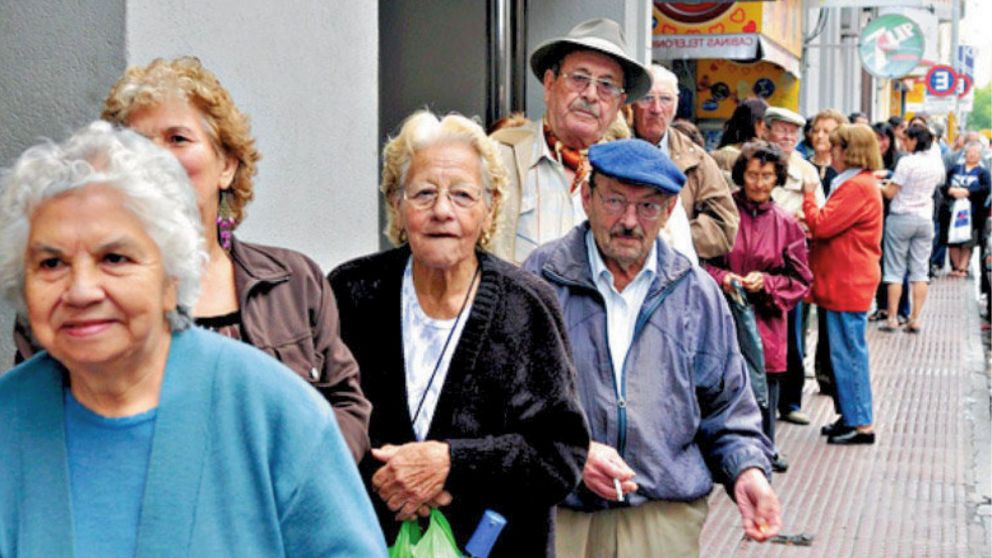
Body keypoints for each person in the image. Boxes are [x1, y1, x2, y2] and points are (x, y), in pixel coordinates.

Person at [0, 122, 387, 557]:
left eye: (115, 258)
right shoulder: (8, 419)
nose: (81, 290)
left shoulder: (275, 414)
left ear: (173, 275)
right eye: (51, 263)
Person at [328, 111, 590, 556]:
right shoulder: (351, 293)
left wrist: (452, 464)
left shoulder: (527, 305)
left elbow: (561, 454)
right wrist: (394, 484)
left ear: (489, 208)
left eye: (463, 195)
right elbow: (321, 427)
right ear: (397, 203)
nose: (442, 211)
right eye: (424, 193)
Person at [91, 56, 370, 460]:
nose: (156, 158)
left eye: (178, 139)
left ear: (226, 166)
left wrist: (298, 479)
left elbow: (346, 406)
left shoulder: (295, 281)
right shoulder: (82, 294)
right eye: (137, 143)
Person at [523, 139, 780, 557]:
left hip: (661, 518)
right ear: (586, 197)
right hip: (561, 511)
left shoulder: (697, 293)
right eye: (614, 200)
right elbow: (509, 403)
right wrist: (571, 452)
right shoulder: (540, 279)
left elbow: (728, 408)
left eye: (648, 206)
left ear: (670, 209)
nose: (629, 221)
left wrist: (747, 470)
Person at [489, 17, 652, 264]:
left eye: (606, 85)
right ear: (549, 84)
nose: (590, 94)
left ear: (619, 104)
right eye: (579, 78)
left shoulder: (639, 175)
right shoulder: (497, 158)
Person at [703, 141, 812, 474]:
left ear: (777, 178)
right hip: (722, 315)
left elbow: (801, 279)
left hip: (765, 320)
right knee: (719, 385)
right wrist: (723, 278)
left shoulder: (786, 223)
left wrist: (767, 283)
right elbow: (701, 261)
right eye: (753, 175)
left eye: (767, 176)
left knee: (764, 389)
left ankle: (764, 447)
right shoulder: (724, 213)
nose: (760, 183)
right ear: (741, 175)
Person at [803, 124, 884, 445]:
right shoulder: (857, 183)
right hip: (845, 279)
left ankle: (861, 422)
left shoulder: (857, 187)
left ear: (850, 151)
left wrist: (809, 198)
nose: (830, 150)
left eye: (836, 146)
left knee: (849, 352)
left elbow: (822, 225)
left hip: (848, 280)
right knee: (842, 352)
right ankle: (849, 415)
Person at [631, 64, 739, 259]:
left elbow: (725, 225)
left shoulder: (696, 159)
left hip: (675, 274)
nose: (656, 109)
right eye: (647, 98)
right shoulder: (609, 148)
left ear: (676, 105)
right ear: (631, 102)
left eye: (665, 99)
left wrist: (669, 240)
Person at [764, 106, 822, 426]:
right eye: (781, 130)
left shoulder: (807, 171)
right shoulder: (752, 160)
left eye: (792, 132)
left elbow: (818, 213)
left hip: (791, 257)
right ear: (766, 130)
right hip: (755, 254)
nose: (787, 137)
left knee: (792, 333)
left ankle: (790, 401)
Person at [879, 124, 945, 333]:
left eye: (906, 139)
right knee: (920, 271)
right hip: (925, 218)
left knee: (895, 270)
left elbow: (890, 192)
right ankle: (915, 318)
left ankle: (892, 318)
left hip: (901, 217)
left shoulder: (907, 162)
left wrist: (877, 185)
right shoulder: (936, 164)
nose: (903, 143)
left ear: (915, 140)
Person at [870, 121, 911, 324]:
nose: (880, 143)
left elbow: (903, 182)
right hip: (873, 217)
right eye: (875, 138)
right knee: (877, 262)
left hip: (895, 217)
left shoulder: (900, 160)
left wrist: (887, 175)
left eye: (883, 138)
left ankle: (902, 309)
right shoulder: (868, 159)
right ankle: (882, 307)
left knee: (896, 264)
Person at [941, 141, 991, 276]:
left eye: (976, 153)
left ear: (980, 156)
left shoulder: (983, 172)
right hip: (952, 210)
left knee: (968, 240)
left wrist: (968, 192)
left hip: (972, 213)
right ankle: (955, 267)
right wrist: (951, 191)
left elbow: (986, 189)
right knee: (952, 239)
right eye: (970, 152)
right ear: (965, 153)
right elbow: (943, 183)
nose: (972, 155)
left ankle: (963, 267)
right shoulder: (955, 169)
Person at [710, 97, 769, 172]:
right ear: (756, 123)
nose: (766, 127)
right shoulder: (759, 157)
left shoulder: (716, 155)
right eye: (765, 121)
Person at [806, 109, 849, 196]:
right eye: (816, 131)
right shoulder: (802, 166)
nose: (819, 136)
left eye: (826, 132)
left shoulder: (846, 171)